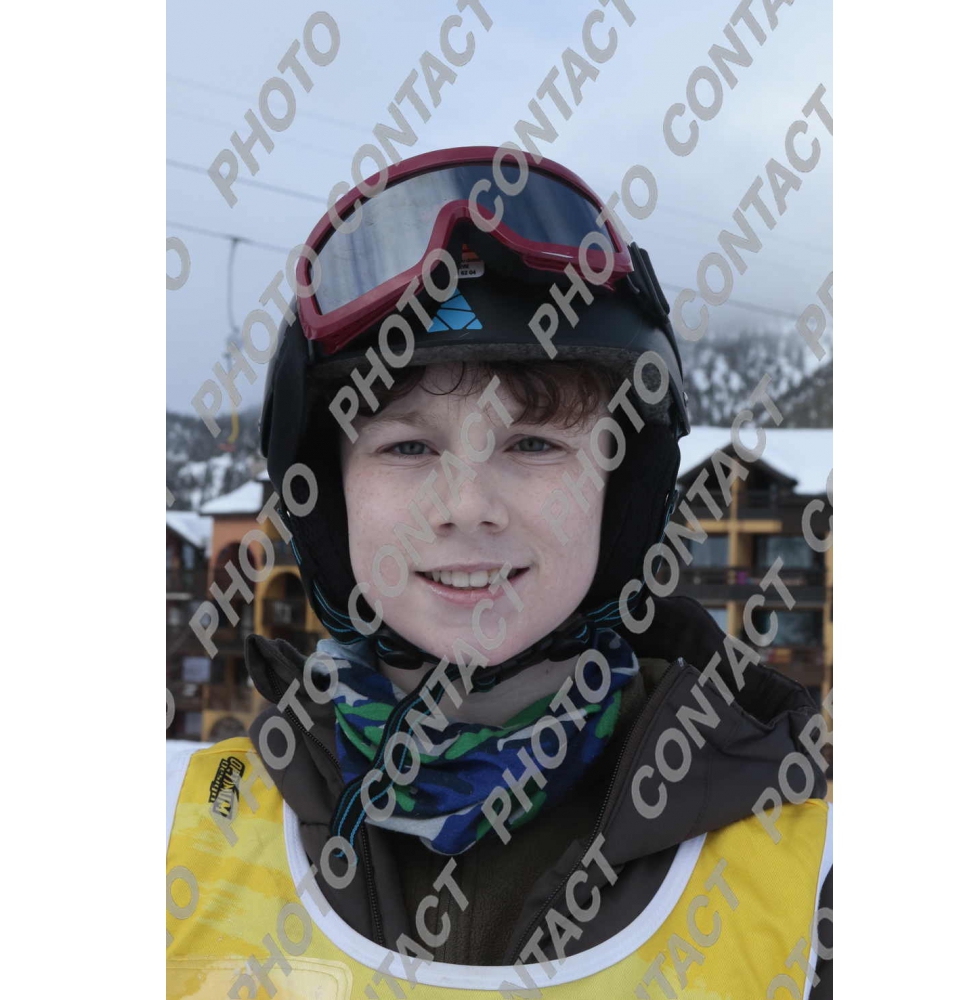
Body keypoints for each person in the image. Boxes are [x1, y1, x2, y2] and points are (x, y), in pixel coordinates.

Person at [166, 147, 832, 999]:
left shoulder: (809, 871)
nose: (467, 505)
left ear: (621, 493)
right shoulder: (181, 833)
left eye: (535, 444)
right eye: (409, 447)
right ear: (329, 496)